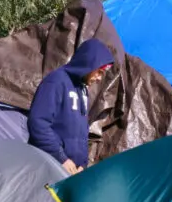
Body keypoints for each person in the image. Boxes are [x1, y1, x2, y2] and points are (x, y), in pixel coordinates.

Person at [27, 39, 114, 175]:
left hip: (71, 172)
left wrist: (82, 165)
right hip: (49, 167)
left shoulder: (83, 90)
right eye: (99, 72)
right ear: (89, 64)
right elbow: (38, 123)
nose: (99, 78)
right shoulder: (56, 81)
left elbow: (80, 133)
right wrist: (61, 158)